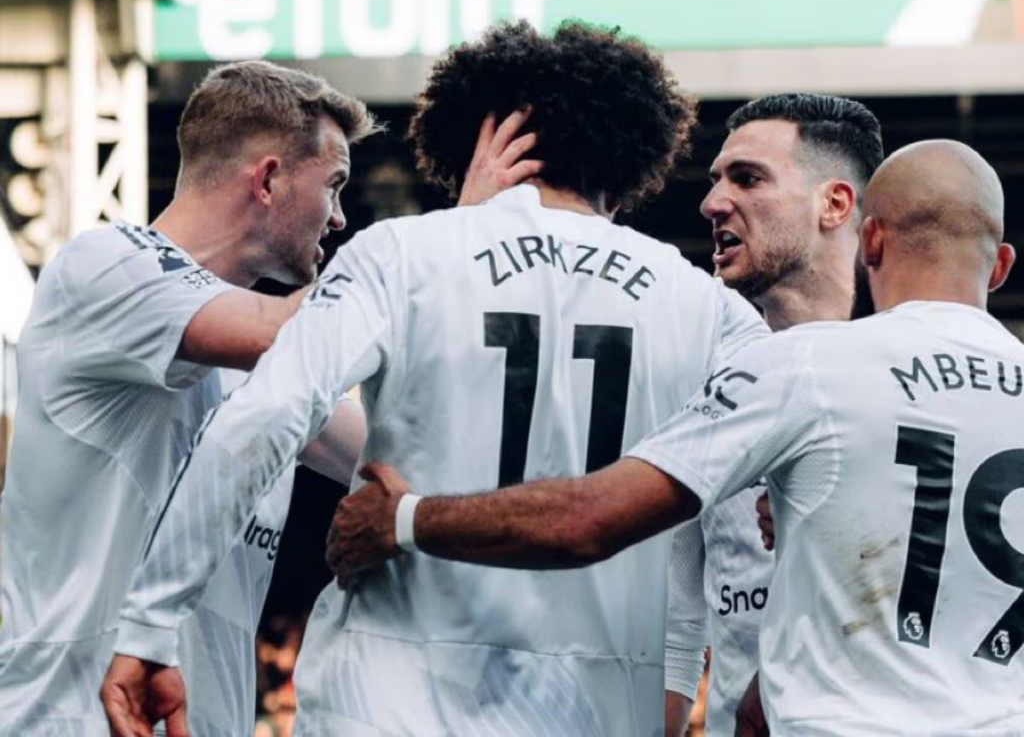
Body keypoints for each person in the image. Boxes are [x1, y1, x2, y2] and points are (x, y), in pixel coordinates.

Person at [100, 19, 768, 737]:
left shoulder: (400, 254)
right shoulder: (707, 308)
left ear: (471, 136)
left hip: (388, 700)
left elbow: (264, 416)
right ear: (632, 148)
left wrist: (150, 623)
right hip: (597, 703)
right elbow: (722, 524)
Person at [332, 139, 1024, 736]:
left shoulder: (811, 366)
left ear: (870, 239)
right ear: (999, 266)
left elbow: (588, 521)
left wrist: (405, 518)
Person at [0, 60, 382, 737]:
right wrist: (437, 259)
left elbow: (396, 452)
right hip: (70, 723)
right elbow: (282, 329)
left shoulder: (272, 371)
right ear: (267, 178)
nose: (341, 216)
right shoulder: (105, 265)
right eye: (335, 186)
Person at [664, 93, 884, 737]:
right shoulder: (698, 385)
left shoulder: (916, 382)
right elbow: (680, 620)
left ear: (834, 205)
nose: (712, 203)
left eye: (748, 178)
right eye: (715, 181)